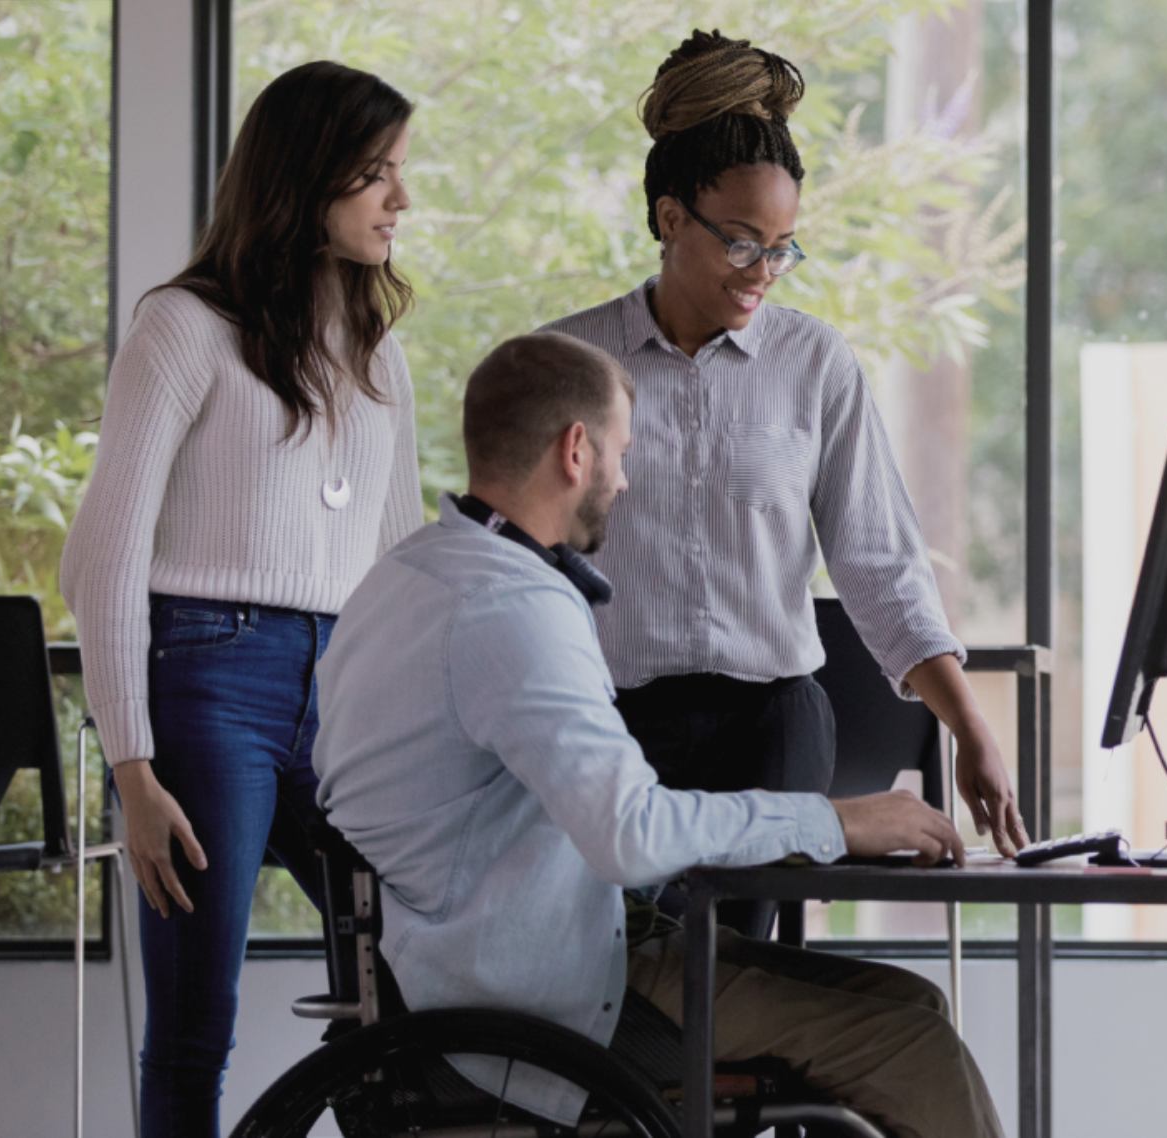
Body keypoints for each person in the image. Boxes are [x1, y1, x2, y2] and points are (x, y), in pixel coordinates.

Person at [312, 330, 1006, 1138]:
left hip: (476, 956)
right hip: (543, 998)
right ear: (577, 450)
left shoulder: (404, 578)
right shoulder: (512, 609)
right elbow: (631, 837)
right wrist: (837, 820)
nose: (626, 477)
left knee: (905, 998)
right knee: (910, 1040)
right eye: (622, 451)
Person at [540, 31, 1028, 936]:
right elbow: (521, 562)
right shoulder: (569, 361)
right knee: (615, 980)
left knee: (736, 990)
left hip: (771, 725)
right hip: (607, 725)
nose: (762, 271)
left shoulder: (813, 364)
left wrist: (971, 731)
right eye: (739, 243)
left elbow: (880, 565)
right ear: (669, 218)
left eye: (782, 247)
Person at [58, 61, 422, 1137]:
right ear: (304, 180)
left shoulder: (377, 350)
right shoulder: (182, 327)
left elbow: (402, 560)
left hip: (351, 688)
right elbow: (106, 555)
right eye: (376, 175)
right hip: (210, 677)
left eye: (401, 173)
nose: (400, 200)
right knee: (194, 1020)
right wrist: (133, 764)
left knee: (412, 966)